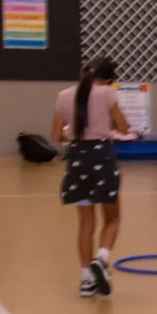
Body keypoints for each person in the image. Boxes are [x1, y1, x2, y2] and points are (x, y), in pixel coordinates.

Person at [51, 57, 128, 298]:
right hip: (101, 158)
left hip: (77, 160)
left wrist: (71, 134)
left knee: (86, 224)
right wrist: (108, 129)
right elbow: (123, 127)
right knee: (113, 218)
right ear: (107, 79)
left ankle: (86, 280)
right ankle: (102, 259)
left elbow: (56, 135)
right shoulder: (107, 93)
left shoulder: (64, 95)